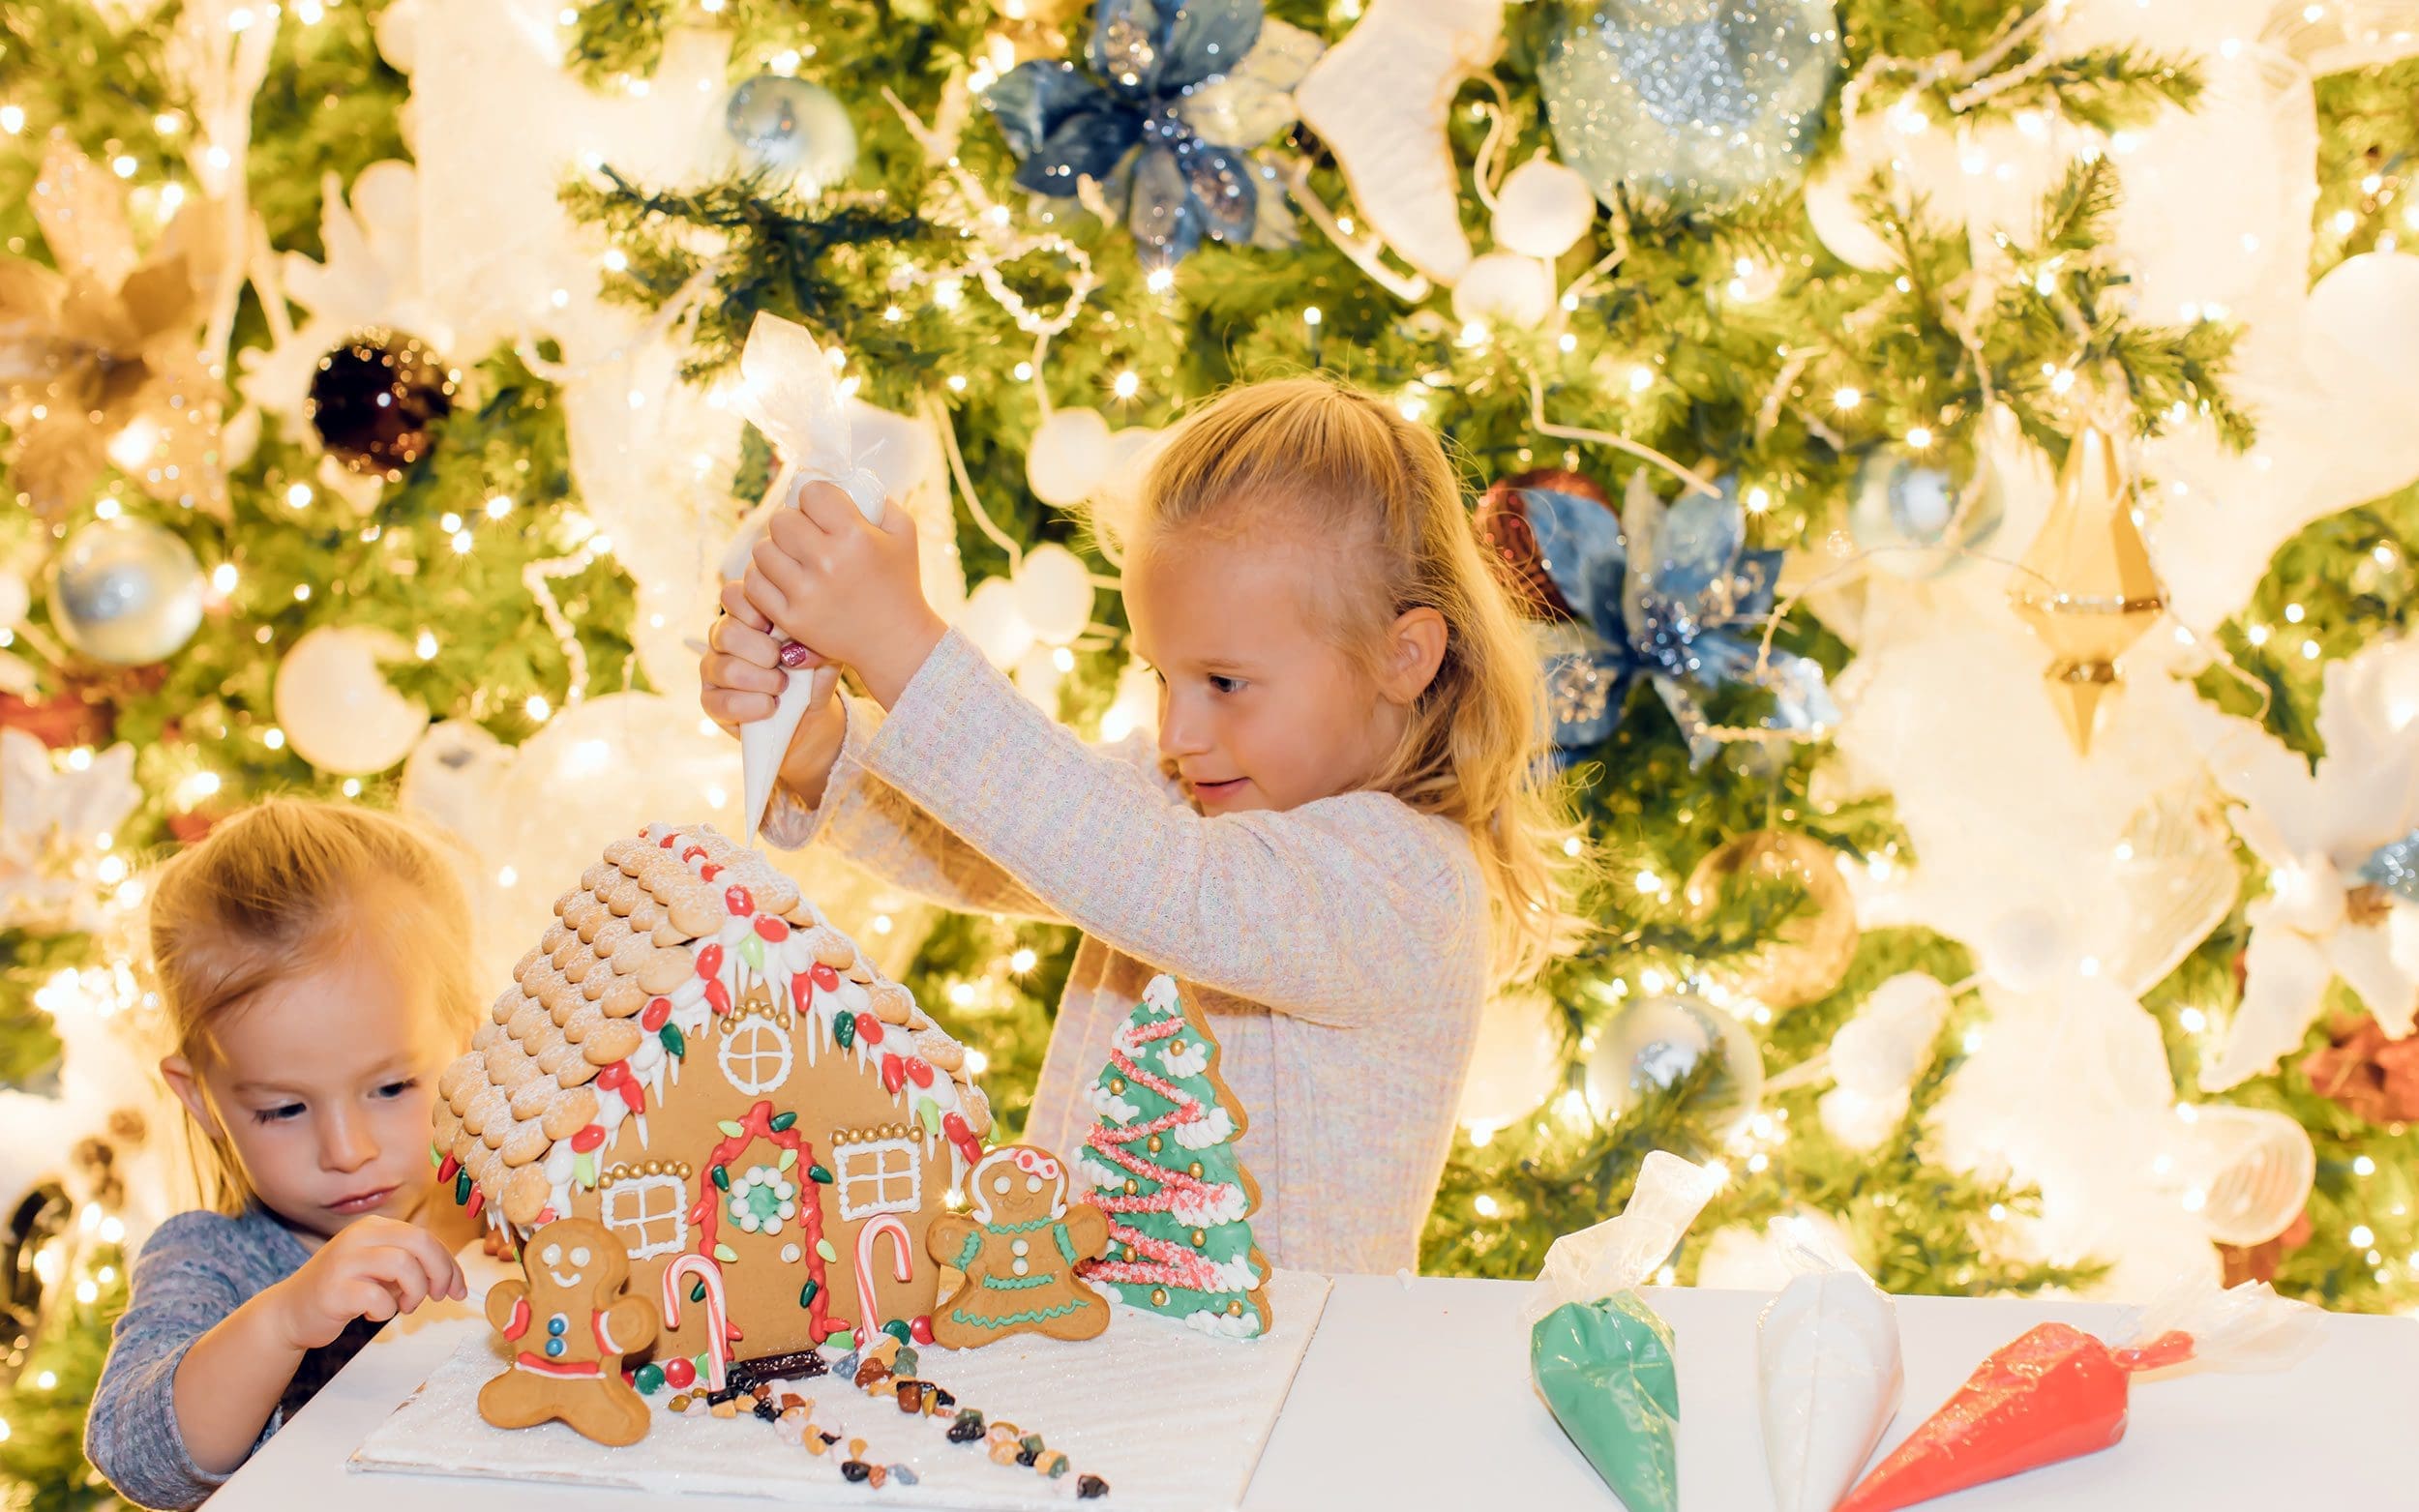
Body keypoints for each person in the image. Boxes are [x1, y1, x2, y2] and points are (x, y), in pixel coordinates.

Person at [701, 374, 1580, 1276]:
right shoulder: (1186, 794)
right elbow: (991, 846)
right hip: (1114, 1363)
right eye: (1162, 677)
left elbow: (1166, 881)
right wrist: (820, 751)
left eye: (1225, 682)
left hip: (1290, 1394)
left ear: (1403, 657)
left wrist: (900, 645)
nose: (1177, 733)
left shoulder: (1410, 877)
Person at [87, 799, 477, 1510]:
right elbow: (140, 1456)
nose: (347, 1150)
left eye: (392, 1086)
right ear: (202, 1097)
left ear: (467, 1040)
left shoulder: (520, 1208)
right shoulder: (213, 1261)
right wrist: (283, 1320)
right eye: (283, 1108)